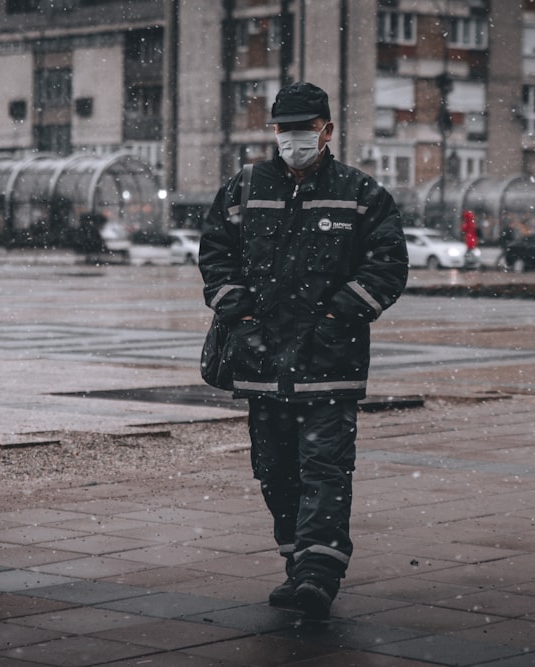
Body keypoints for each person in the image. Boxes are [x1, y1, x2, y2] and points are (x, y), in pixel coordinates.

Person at [198, 82, 409, 620]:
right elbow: (215, 255)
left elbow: (388, 265)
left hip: (328, 368)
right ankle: (298, 562)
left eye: (303, 129)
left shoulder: (361, 194)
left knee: (325, 471)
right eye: (283, 130)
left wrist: (339, 316)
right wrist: (239, 315)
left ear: (327, 130)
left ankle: (319, 572)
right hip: (263, 366)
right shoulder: (244, 189)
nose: (293, 139)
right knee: (276, 472)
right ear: (274, 133)